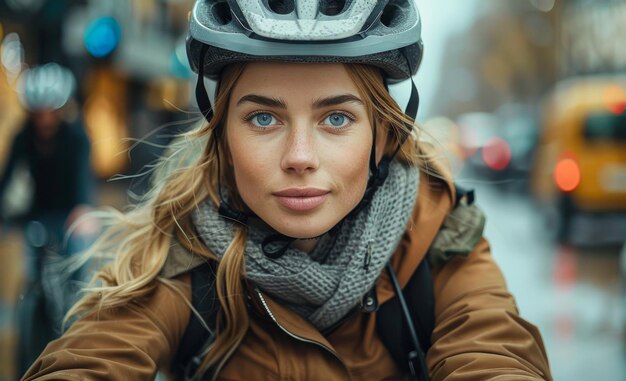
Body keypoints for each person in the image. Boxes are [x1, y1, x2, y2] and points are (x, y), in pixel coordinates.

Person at [22, 1, 552, 380]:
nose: (300, 157)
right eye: (263, 118)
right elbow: (92, 356)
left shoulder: (439, 236)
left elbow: (494, 350)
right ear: (223, 134)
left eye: (337, 118)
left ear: (384, 132)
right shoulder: (179, 248)